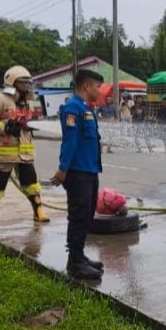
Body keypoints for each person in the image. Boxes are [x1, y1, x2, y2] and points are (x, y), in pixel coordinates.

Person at [50, 69, 105, 280]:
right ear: (87, 86)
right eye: (98, 87)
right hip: (78, 172)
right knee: (78, 216)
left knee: (87, 215)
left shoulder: (85, 108)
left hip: (90, 170)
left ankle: (79, 256)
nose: (99, 91)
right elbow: (70, 142)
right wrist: (62, 170)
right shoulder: (73, 108)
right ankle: (74, 263)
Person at [0, 66, 50, 225]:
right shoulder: (0, 100)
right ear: (12, 82)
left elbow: (36, 118)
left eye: (28, 82)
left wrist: (33, 124)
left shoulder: (30, 101)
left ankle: (38, 210)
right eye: (22, 82)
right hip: (4, 151)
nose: (26, 85)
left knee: (31, 182)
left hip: (25, 152)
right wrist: (5, 127)